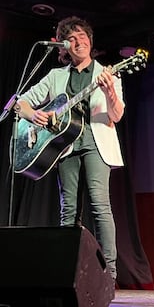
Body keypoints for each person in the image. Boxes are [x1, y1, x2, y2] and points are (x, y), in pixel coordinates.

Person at [15, 16, 124, 281]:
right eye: (71, 39)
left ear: (90, 40)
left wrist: (110, 92)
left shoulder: (107, 73)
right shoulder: (55, 77)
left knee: (99, 204)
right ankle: (69, 272)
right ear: (63, 47)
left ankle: (108, 274)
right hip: (64, 146)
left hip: (96, 144)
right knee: (68, 212)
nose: (79, 42)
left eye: (82, 36)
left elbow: (116, 114)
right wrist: (33, 116)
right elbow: (21, 103)